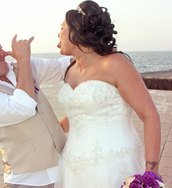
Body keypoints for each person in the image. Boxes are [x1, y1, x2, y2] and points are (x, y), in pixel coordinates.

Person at [54, 1, 162, 187]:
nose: (58, 33)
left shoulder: (116, 64)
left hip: (112, 165)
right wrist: (46, 132)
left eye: (62, 27)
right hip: (72, 168)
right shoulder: (70, 69)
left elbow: (150, 115)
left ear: (77, 30)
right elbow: (79, 114)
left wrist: (151, 170)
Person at [0, 33, 71, 188]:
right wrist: (23, 59)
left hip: (66, 171)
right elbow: (23, 107)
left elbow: (64, 66)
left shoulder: (22, 67)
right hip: (28, 181)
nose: (4, 53)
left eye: (1, 48)